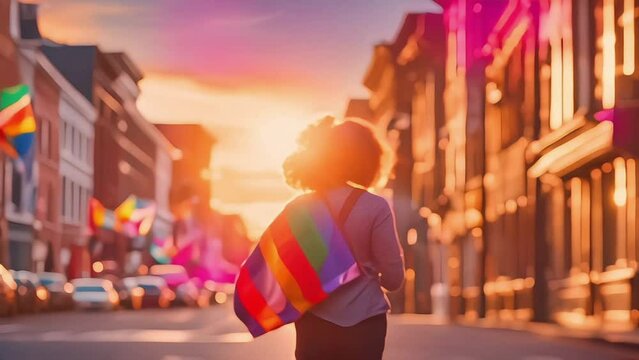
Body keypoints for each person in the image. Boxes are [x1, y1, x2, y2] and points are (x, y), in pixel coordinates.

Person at [283, 116, 405, 360]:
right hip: (365, 322)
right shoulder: (375, 207)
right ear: (368, 158)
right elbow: (394, 278)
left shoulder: (298, 208)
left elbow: (288, 272)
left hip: (314, 322)